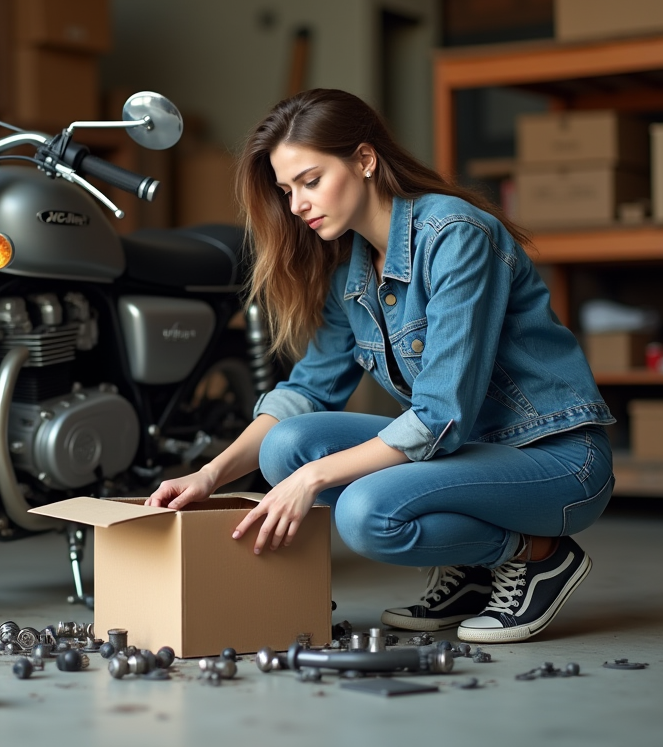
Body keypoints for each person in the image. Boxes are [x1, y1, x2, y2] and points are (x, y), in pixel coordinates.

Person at [147, 89, 615, 644]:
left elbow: (439, 416)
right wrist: (209, 473)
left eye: (311, 180)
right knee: (285, 445)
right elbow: (306, 393)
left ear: (365, 160)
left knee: (368, 512)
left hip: (555, 460)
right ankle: (470, 573)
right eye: (286, 189)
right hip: (466, 454)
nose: (296, 205)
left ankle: (536, 556)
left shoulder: (455, 235)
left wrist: (312, 478)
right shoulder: (351, 271)